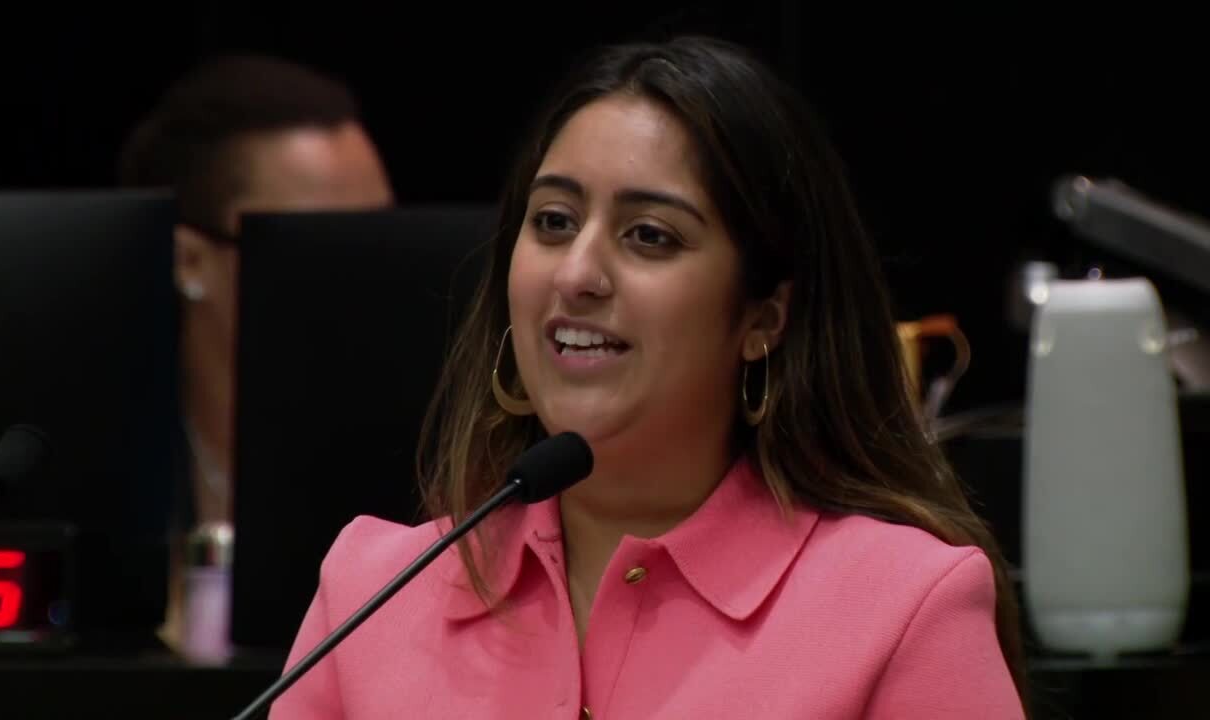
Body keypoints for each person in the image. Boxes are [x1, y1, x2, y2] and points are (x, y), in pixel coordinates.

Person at [271, 35, 1026, 718]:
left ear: (764, 318)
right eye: (554, 221)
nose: (577, 274)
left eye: (649, 236)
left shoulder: (901, 609)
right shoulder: (370, 595)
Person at [118, 53, 395, 657]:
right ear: (191, 260)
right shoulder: (105, 452)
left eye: (382, 238)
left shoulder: (423, 459)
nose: (371, 274)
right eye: (321, 247)